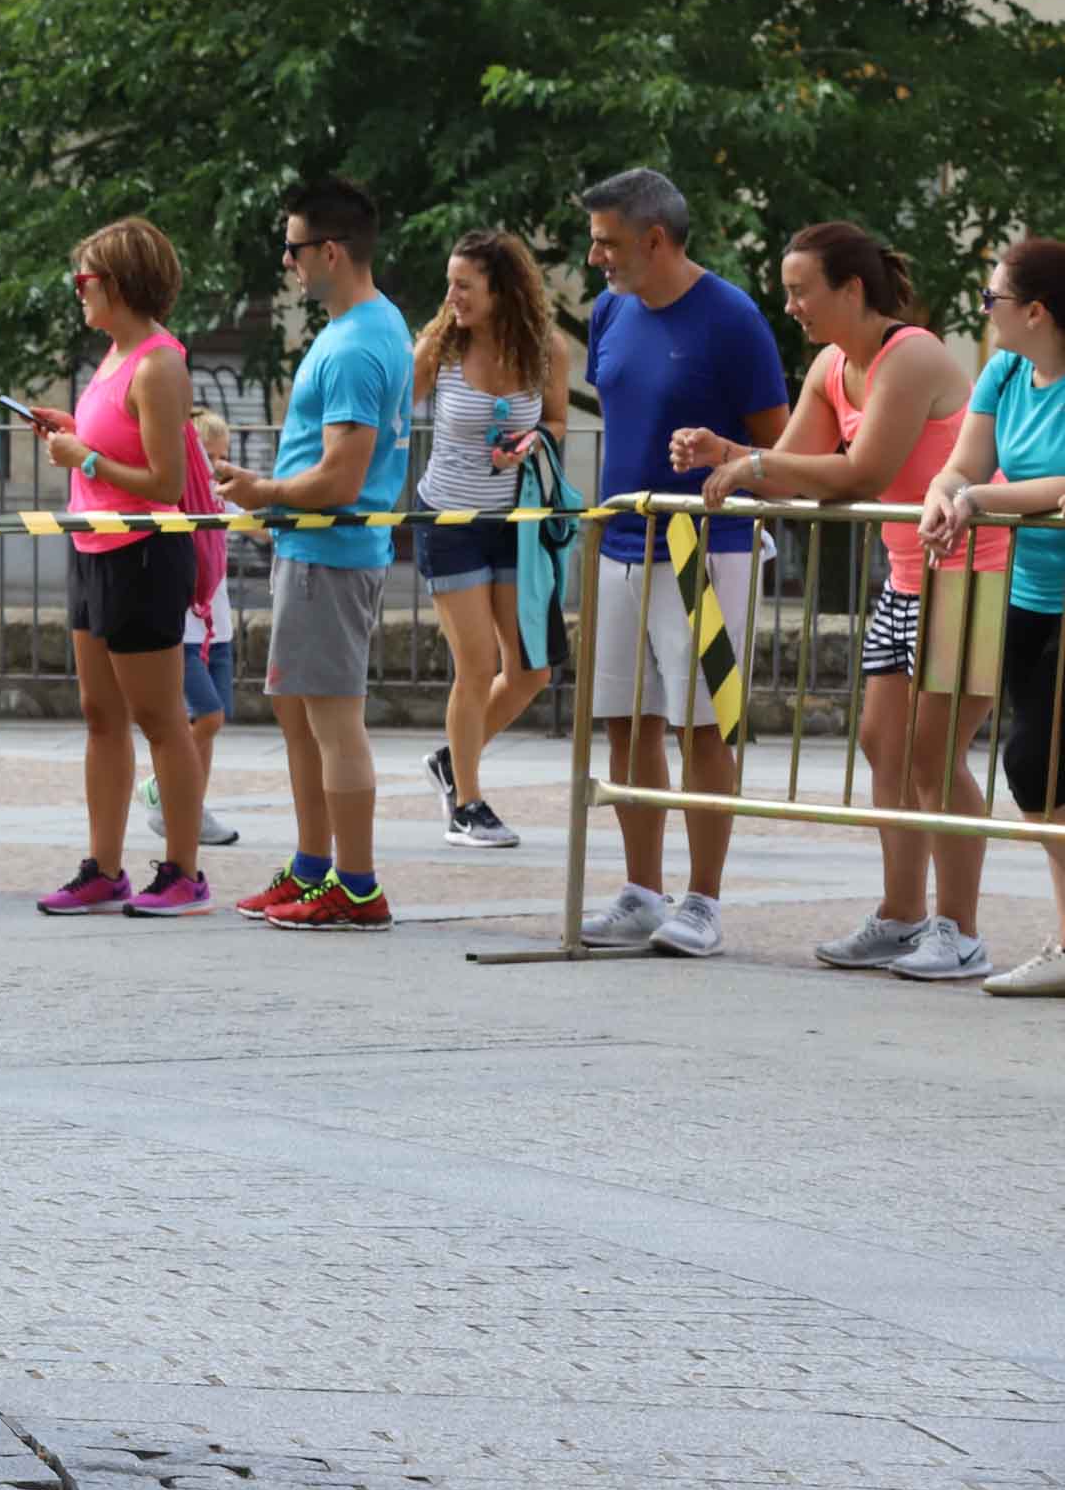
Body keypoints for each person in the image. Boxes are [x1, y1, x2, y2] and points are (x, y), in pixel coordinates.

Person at [675, 223, 1007, 981]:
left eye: (801, 291)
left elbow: (861, 472)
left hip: (967, 577)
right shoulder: (832, 363)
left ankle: (961, 931)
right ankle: (901, 917)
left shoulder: (912, 353)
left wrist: (751, 461)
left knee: (935, 754)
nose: (790, 305)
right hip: (907, 578)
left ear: (851, 291)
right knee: (881, 745)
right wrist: (727, 454)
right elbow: (794, 468)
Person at [571, 168, 790, 958]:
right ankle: (640, 888)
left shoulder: (731, 318)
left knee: (704, 724)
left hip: (707, 550)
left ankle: (703, 899)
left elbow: (780, 443)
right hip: (622, 542)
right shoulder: (609, 310)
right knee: (626, 722)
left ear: (654, 240)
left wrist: (726, 458)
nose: (596, 257)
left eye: (606, 243)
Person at [216, 178, 413, 931]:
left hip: (330, 550)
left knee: (333, 723)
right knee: (301, 718)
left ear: (330, 251)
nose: (288, 263)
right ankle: (313, 867)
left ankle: (357, 887)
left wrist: (262, 491)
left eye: (294, 249)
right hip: (316, 548)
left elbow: (343, 475)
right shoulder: (371, 326)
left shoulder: (359, 343)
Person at [28, 218, 210, 916]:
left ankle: (184, 873)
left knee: (160, 718)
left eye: (87, 280)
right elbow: (111, 451)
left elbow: (164, 482)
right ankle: (103, 867)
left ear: (122, 283)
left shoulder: (160, 363)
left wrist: (87, 459)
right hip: (93, 548)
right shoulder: (111, 357)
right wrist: (73, 436)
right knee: (100, 715)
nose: (79, 292)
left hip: (142, 553)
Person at [922, 237, 1065, 997]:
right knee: (1054, 782)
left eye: (992, 300)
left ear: (1036, 311)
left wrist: (979, 500)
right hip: (1030, 591)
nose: (985, 312)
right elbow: (965, 464)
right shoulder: (1006, 371)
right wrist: (945, 493)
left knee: (1030, 765)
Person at [408, 230, 572, 850]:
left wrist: (534, 443)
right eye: (450, 283)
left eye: (464, 285)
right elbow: (391, 410)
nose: (452, 296)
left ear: (502, 291)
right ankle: (466, 803)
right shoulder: (438, 348)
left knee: (530, 670)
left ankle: (452, 761)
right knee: (475, 666)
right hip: (449, 521)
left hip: (517, 524)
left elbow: (555, 420)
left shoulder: (546, 350)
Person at [141, 406, 241, 850]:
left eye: (225, 456)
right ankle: (164, 790)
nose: (219, 465)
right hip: (184, 628)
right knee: (206, 716)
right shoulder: (180, 496)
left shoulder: (224, 494)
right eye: (211, 456)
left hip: (218, 626)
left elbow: (259, 525)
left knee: (212, 724)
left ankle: (193, 806)